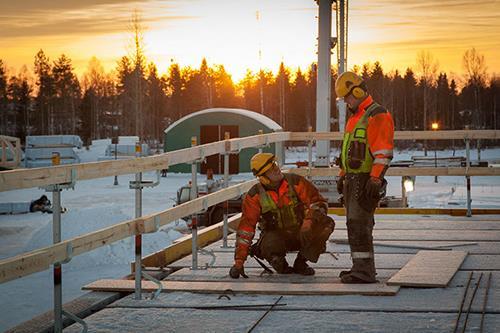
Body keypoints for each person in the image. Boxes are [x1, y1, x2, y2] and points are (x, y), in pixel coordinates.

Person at [229, 153, 335, 278]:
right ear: (263, 177)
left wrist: (309, 220)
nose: (276, 169)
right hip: (277, 239)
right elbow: (246, 229)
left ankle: (301, 262)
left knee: (326, 224)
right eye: (271, 168)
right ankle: (280, 264)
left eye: (275, 165)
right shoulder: (254, 196)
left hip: (301, 232)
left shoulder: (296, 182)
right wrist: (239, 261)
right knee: (269, 244)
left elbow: (318, 203)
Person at [335, 71, 394, 283]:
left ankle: (364, 272)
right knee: (354, 224)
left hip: (365, 180)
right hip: (353, 178)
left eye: (347, 98)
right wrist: (343, 175)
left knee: (360, 224)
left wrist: (375, 179)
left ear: (358, 92)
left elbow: (383, 152)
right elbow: (348, 151)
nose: (345, 102)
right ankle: (359, 267)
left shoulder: (376, 114)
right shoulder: (355, 117)